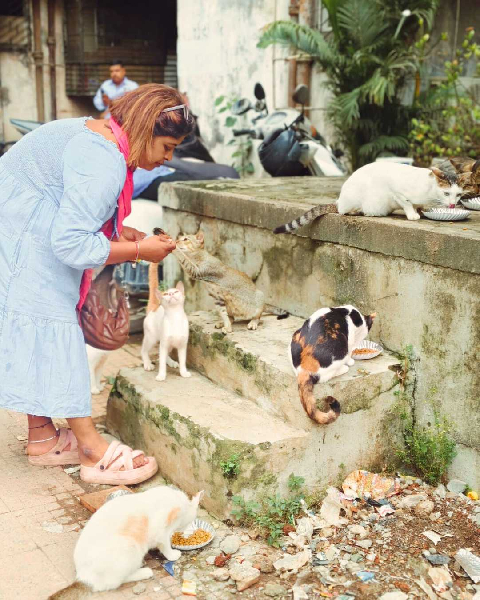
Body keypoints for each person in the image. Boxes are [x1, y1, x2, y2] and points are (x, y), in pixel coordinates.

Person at [0, 84, 195, 485]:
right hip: (22, 229)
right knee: (53, 319)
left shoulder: (102, 136)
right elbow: (71, 243)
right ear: (145, 128)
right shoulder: (105, 161)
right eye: (167, 147)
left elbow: (74, 208)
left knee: (38, 320)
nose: (167, 159)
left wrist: (118, 232)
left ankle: (43, 438)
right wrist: (138, 251)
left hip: (22, 218)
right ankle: (91, 449)